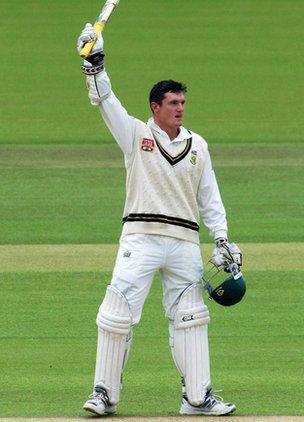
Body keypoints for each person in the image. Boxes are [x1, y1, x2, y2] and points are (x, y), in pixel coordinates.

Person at [76, 23, 242, 417]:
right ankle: (104, 394)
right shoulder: (134, 135)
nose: (179, 108)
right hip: (141, 238)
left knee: (191, 318)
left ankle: (198, 397)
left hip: (184, 242)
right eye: (172, 102)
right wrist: (94, 64)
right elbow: (107, 102)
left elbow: (210, 196)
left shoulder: (197, 145)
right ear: (155, 107)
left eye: (182, 102)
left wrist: (221, 238)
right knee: (116, 314)